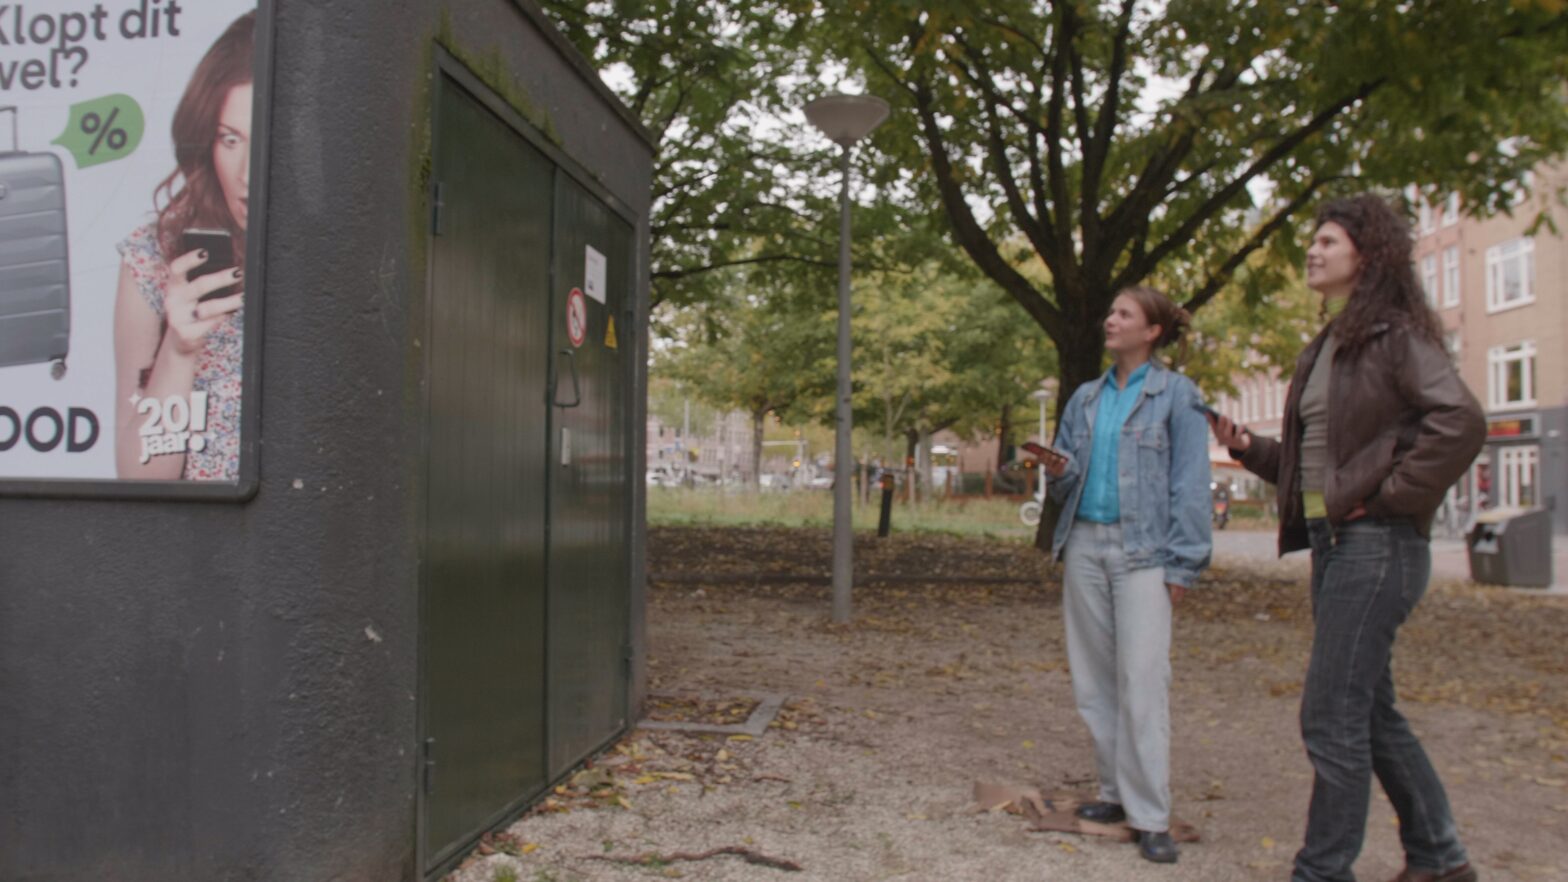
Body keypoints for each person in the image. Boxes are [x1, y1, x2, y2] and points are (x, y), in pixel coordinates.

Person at [1207, 194, 1484, 882]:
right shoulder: (1331, 344)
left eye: (1328, 241)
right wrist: (1249, 450)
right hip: (1337, 545)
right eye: (1315, 240)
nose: (1313, 250)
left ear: (1368, 254)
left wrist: (1390, 498)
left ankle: (1322, 871)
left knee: (1331, 714)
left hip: (1379, 546)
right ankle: (1440, 858)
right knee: (1371, 713)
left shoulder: (1394, 336)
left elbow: (1460, 421)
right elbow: (1323, 471)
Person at [1041, 285, 1212, 865]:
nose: (1109, 320)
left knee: (1143, 680)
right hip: (1084, 545)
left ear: (1152, 331)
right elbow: (1066, 482)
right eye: (1110, 311)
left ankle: (1151, 815)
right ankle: (1114, 794)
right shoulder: (1085, 397)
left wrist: (1184, 564)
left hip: (1145, 553)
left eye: (1123, 314)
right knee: (1095, 682)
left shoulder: (1178, 396)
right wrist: (1059, 470)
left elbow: (1190, 485)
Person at [113, 12, 255, 481]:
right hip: (200, 527)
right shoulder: (154, 258)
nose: (247, 174)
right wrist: (179, 351)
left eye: (265, 142)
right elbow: (141, 481)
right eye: (230, 139)